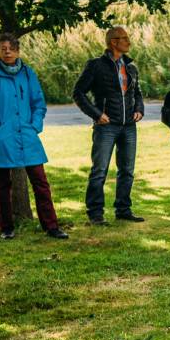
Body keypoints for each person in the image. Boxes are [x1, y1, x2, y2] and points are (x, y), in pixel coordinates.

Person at [0, 33, 68, 240]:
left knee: (41, 182)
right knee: (3, 184)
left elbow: (39, 104)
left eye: (11, 48)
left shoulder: (28, 73)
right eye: (3, 48)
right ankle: (6, 227)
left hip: (28, 136)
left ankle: (51, 226)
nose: (7, 52)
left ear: (18, 51)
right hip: (2, 138)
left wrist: (35, 126)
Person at [72, 25, 145, 225]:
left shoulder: (131, 67)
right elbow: (78, 93)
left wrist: (139, 109)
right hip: (106, 127)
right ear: (113, 42)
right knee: (99, 171)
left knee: (127, 171)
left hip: (129, 126)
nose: (129, 42)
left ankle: (123, 210)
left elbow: (137, 93)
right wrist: (97, 114)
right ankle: (95, 214)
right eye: (125, 38)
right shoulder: (96, 65)